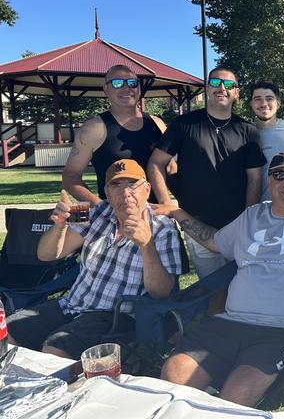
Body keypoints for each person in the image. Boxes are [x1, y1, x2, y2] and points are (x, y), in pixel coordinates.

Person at [157, 145, 284, 407]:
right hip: (228, 324)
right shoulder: (252, 216)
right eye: (279, 175)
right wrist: (176, 212)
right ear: (269, 181)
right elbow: (214, 242)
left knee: (236, 396)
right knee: (173, 378)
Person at [7, 159, 183, 360]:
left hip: (116, 315)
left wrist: (146, 244)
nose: (126, 193)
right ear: (107, 192)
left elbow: (161, 292)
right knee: (6, 332)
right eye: (116, 185)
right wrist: (60, 226)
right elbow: (46, 255)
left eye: (132, 185)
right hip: (71, 304)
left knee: (55, 351)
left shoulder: (161, 228)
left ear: (147, 189)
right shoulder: (92, 212)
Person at [148, 66, 266, 278]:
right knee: (209, 293)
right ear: (206, 88)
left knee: (243, 287)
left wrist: (248, 219)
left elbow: (254, 178)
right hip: (197, 225)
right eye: (215, 83)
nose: (222, 88)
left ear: (236, 93)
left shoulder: (248, 131)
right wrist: (167, 204)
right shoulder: (184, 124)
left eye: (229, 84)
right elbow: (156, 163)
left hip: (237, 227)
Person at [63, 64, 169, 205]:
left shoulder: (157, 124)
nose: (126, 88)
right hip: (115, 220)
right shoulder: (93, 129)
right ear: (106, 89)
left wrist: (169, 207)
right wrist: (101, 207)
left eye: (132, 83)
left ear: (139, 87)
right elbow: (71, 176)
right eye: (117, 83)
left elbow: (171, 169)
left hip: (155, 217)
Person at [249, 80, 284, 201]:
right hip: (253, 210)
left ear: (278, 103)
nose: (263, 103)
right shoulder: (243, 133)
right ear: (251, 104)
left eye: (269, 98)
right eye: (257, 99)